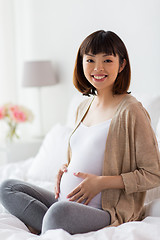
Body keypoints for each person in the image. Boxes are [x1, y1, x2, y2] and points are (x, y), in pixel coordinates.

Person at [0, 30, 160, 235]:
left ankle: (52, 224)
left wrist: (102, 183)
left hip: (103, 209)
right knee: (8, 187)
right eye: (90, 60)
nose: (98, 68)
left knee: (57, 213)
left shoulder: (132, 110)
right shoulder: (82, 107)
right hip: (65, 201)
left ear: (122, 65)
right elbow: (83, 154)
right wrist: (65, 168)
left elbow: (153, 174)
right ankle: (53, 225)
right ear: (81, 63)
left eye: (108, 60)